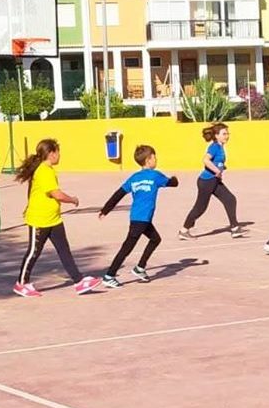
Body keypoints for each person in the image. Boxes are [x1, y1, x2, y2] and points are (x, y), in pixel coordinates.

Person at [13, 139, 102, 298]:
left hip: (53, 219)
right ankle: (21, 284)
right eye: (58, 152)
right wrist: (73, 199)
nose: (59, 155)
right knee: (33, 252)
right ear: (51, 153)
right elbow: (56, 194)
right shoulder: (44, 171)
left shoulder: (49, 170)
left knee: (64, 250)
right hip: (39, 220)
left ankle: (79, 281)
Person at [99, 145, 179, 288]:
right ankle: (109, 275)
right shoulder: (155, 176)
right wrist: (174, 179)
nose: (156, 159)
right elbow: (173, 183)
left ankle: (140, 268)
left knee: (155, 239)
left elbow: (118, 194)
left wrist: (106, 209)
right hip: (141, 220)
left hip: (139, 218)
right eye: (154, 157)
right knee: (127, 247)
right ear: (148, 160)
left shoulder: (134, 178)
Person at [179, 123, 245, 240]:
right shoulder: (214, 147)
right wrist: (217, 171)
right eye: (224, 134)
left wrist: (221, 167)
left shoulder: (220, 147)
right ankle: (184, 230)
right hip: (206, 182)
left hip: (214, 181)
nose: (227, 136)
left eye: (227, 133)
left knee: (230, 199)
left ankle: (234, 228)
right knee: (200, 208)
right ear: (216, 135)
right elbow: (205, 160)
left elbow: (216, 162)